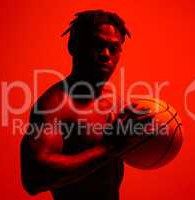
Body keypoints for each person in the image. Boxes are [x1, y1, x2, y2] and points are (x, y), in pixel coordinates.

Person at [21, 10, 134, 200]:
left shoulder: (115, 101)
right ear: (73, 46)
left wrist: (146, 133)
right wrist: (107, 150)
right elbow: (33, 179)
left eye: (113, 48)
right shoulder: (55, 106)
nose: (106, 54)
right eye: (97, 45)